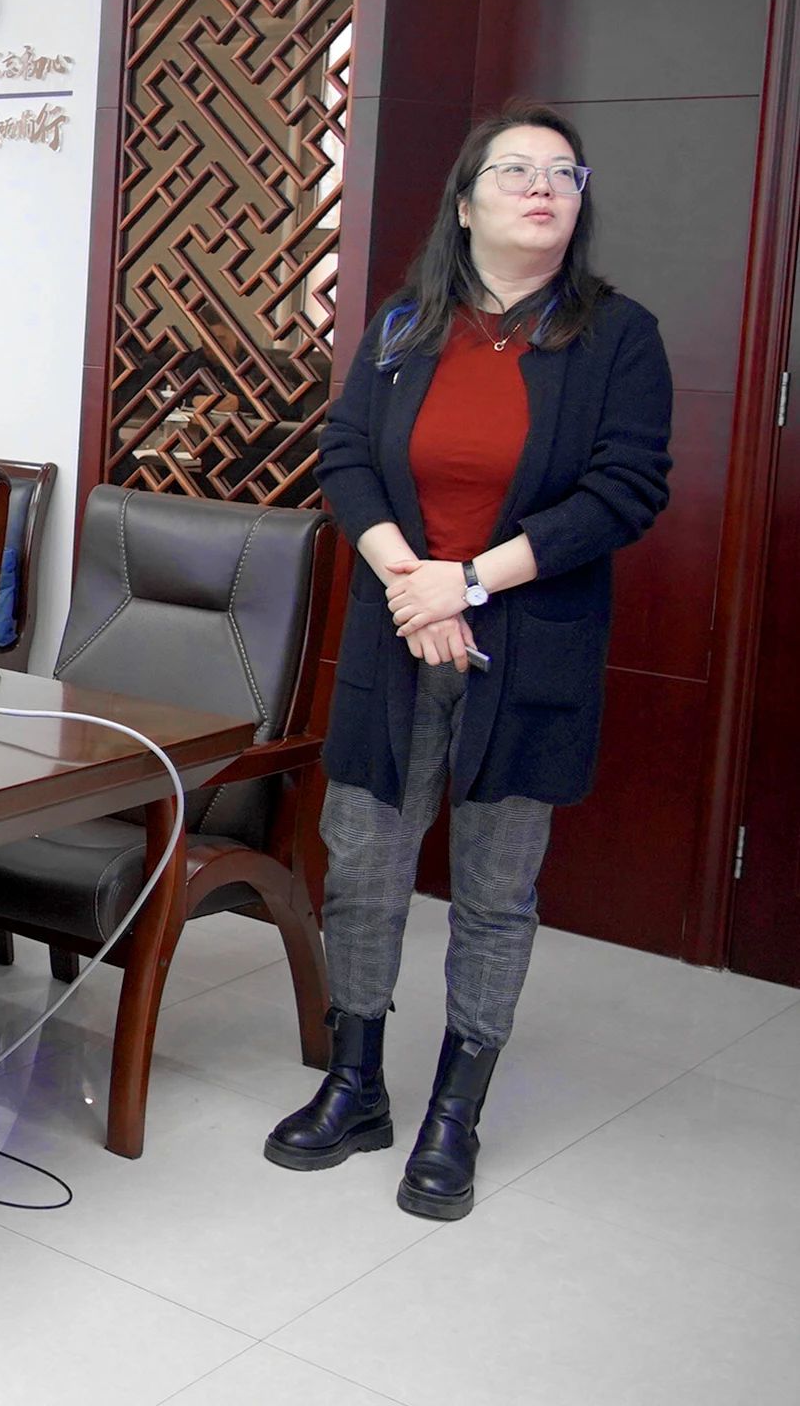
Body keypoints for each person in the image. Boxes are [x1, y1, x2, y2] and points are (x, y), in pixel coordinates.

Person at [268, 106, 673, 1223]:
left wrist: (472, 583)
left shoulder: (617, 336)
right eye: (517, 170)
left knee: (496, 887)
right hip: (399, 634)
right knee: (363, 864)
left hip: (526, 644)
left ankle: (457, 1109)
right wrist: (415, 583)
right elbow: (345, 456)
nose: (543, 187)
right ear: (465, 201)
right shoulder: (406, 322)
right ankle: (355, 1084)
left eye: (564, 174)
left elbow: (624, 492)